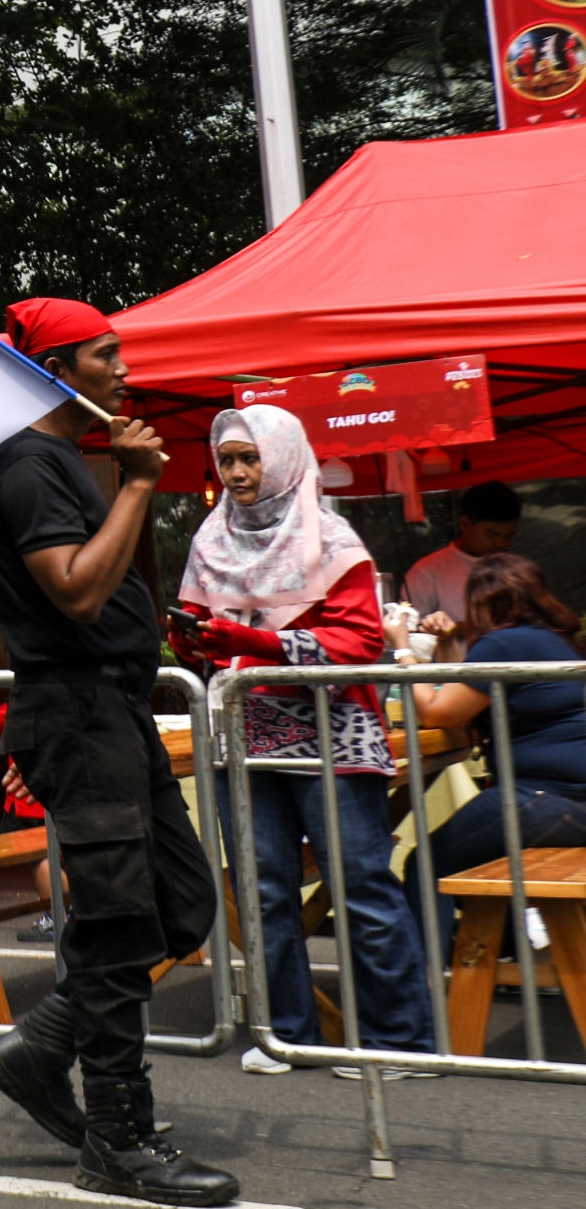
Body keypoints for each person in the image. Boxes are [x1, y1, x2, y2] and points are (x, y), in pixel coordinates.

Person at [0, 296, 235, 1209]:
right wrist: (136, 486)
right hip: (78, 714)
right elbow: (76, 593)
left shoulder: (66, 460)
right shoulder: (31, 466)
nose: (124, 369)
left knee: (184, 902)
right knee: (121, 926)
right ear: (55, 368)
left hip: (111, 712)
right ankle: (119, 1137)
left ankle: (41, 1045)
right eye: (105, 355)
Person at [173, 406, 434, 1075]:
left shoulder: (334, 540)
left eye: (249, 458)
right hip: (245, 741)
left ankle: (402, 1043)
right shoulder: (209, 541)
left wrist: (251, 641)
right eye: (227, 459)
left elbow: (358, 644)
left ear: (284, 457)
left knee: (362, 890)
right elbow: (204, 628)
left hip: (334, 743)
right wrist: (192, 637)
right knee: (263, 893)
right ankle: (287, 1033)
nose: (236, 472)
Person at [400, 553, 586, 958]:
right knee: (472, 855)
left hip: (543, 802)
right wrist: (448, 642)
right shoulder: (552, 641)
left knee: (425, 864)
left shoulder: (506, 641)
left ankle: (419, 989)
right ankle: (500, 959)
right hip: (571, 804)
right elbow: (459, 702)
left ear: (481, 603)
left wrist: (402, 649)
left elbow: (435, 711)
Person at [405, 482, 520, 638]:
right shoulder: (427, 571)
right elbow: (408, 632)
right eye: (491, 535)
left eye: (508, 536)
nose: (500, 543)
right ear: (464, 524)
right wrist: (451, 629)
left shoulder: (517, 569)